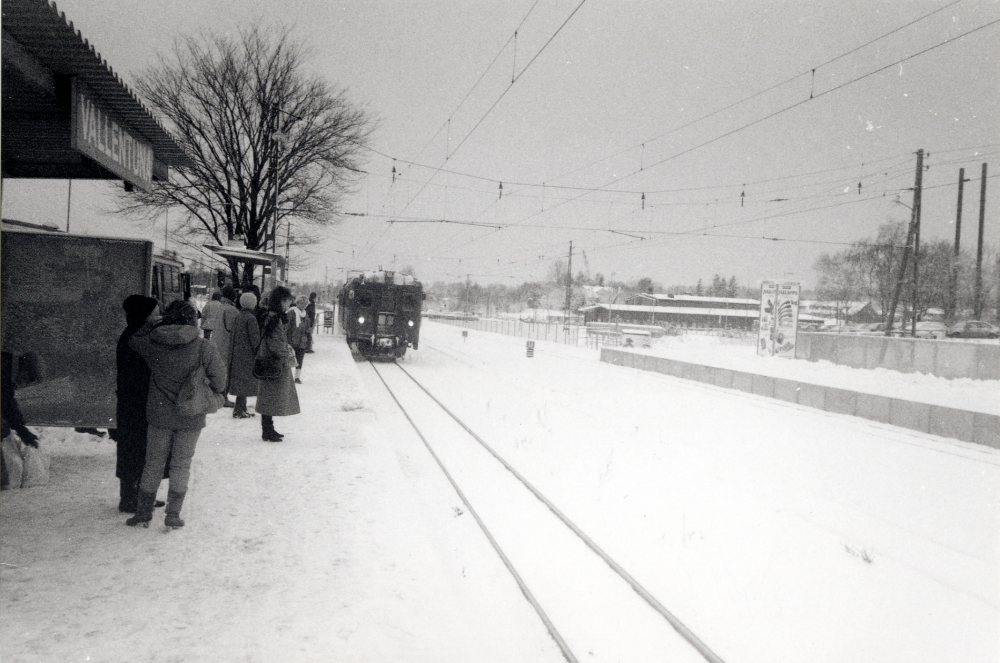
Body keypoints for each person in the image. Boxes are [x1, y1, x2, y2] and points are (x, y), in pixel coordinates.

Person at [127, 300, 227, 528]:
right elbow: (220, 381)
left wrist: (153, 324)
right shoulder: (204, 347)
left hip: (159, 414)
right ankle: (173, 514)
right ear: (193, 319)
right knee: (181, 464)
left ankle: (143, 512)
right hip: (191, 414)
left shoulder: (152, 343)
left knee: (152, 463)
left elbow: (133, 339)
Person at [107, 295, 164, 513]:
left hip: (134, 400)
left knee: (138, 448)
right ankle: (130, 498)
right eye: (155, 312)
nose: (158, 316)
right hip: (135, 402)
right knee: (133, 449)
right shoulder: (135, 337)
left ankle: (137, 495)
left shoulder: (134, 334)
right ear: (144, 314)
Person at [256, 286, 300, 442]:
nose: (289, 304)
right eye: (288, 301)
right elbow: (275, 342)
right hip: (274, 363)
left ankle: (268, 428)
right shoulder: (275, 318)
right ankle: (267, 430)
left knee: (269, 396)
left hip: (269, 361)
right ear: (281, 301)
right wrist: (285, 354)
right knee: (271, 396)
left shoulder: (271, 316)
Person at [229, 292, 261, 419]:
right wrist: (258, 351)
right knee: (245, 382)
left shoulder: (238, 316)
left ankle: (241, 407)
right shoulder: (251, 318)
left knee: (241, 381)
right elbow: (255, 339)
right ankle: (239, 410)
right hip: (247, 354)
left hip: (237, 352)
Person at [212, 286, 240, 407]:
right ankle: (223, 397)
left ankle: (217, 395)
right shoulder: (231, 310)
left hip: (216, 341)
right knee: (226, 372)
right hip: (226, 343)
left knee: (217, 370)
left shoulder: (220, 307)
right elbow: (234, 329)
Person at [287, 296, 309, 384]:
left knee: (300, 359)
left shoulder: (305, 314)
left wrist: (307, 331)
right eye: (301, 303)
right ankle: (288, 377)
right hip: (292, 339)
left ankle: (297, 377)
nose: (303, 305)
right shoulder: (292, 312)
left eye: (305, 304)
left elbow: (307, 326)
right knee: (290, 359)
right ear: (297, 303)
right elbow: (287, 326)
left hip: (302, 340)